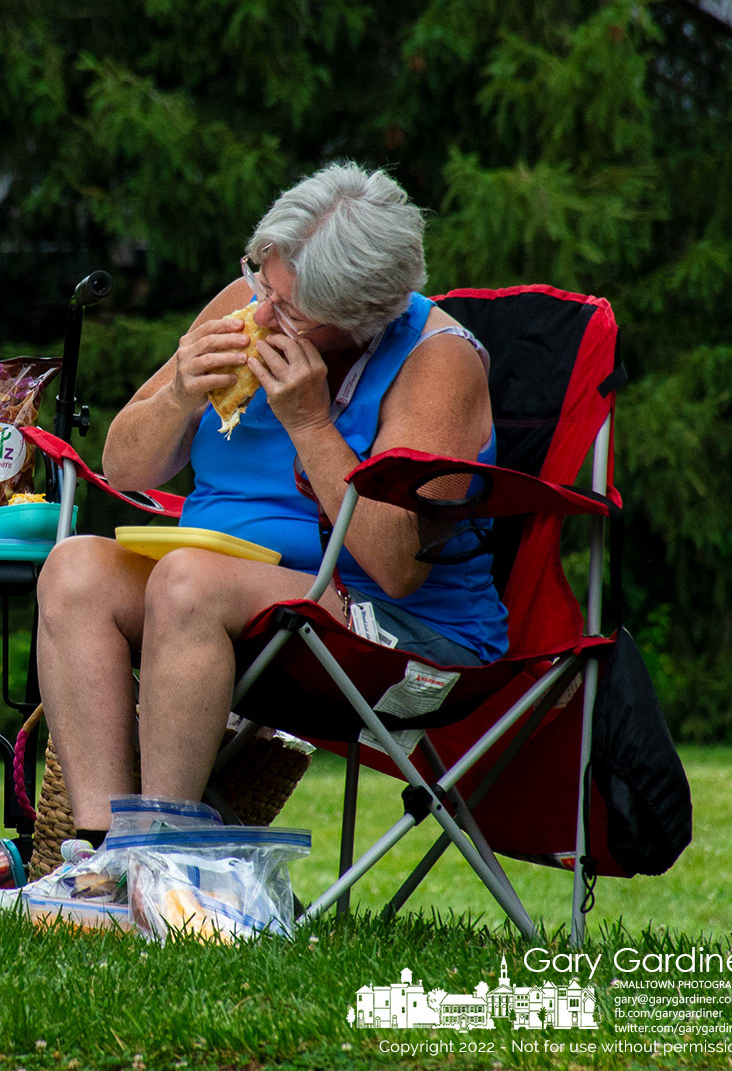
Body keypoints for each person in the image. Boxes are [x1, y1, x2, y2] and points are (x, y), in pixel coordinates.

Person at [34, 162, 508, 844]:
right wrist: (181, 393)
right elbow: (124, 463)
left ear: (361, 317)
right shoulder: (242, 303)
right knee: (75, 569)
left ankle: (162, 857)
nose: (260, 312)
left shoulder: (437, 361)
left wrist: (312, 425)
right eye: (262, 280)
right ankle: (100, 848)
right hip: (223, 598)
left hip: (391, 626)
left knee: (188, 582)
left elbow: (400, 564)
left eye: (288, 309)